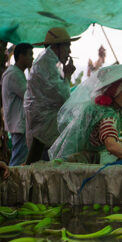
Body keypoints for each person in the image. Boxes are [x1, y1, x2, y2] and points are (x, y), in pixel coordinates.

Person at [48, 64, 122, 164]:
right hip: (77, 161)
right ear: (114, 93)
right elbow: (111, 146)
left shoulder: (109, 109)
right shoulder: (108, 115)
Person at [24, 27, 79, 165]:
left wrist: (65, 75)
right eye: (67, 46)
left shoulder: (51, 63)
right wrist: (67, 76)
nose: (70, 52)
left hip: (44, 133)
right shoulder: (46, 64)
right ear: (56, 46)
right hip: (44, 136)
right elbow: (62, 96)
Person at [1, 43, 33, 166]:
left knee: (20, 159)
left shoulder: (17, 73)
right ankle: (10, 184)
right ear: (21, 56)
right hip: (19, 125)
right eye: (30, 55)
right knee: (18, 162)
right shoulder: (14, 74)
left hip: (19, 124)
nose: (32, 58)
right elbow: (29, 96)